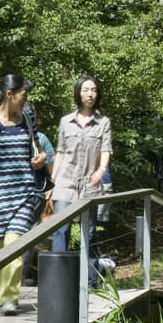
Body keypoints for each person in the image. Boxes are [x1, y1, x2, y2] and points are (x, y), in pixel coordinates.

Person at [0, 73, 54, 317]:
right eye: (23, 95)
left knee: (14, 245)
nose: (26, 100)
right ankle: (4, 290)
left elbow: (37, 148)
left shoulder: (27, 118)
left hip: (24, 194)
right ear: (10, 95)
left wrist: (40, 159)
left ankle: (9, 299)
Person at [49, 75, 112, 286]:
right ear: (78, 93)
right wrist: (52, 181)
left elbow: (106, 150)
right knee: (61, 228)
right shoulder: (65, 121)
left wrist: (101, 170)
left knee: (89, 232)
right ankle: (58, 283)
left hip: (90, 184)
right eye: (85, 89)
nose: (90, 94)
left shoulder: (103, 122)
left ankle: (90, 282)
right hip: (65, 182)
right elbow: (60, 152)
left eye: (93, 89)